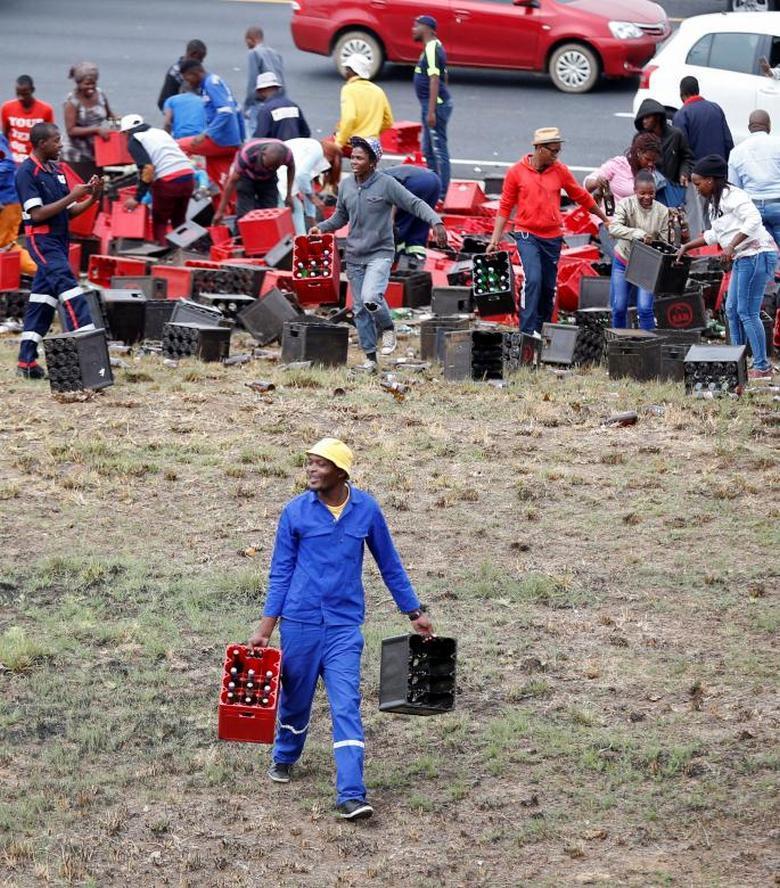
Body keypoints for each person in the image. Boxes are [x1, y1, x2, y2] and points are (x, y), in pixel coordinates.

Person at [248, 437, 434, 821]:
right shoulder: (295, 513)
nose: (311, 470)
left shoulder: (366, 510)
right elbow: (280, 572)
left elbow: (390, 564)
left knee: (346, 705)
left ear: (340, 471)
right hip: (299, 625)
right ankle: (284, 755)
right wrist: (267, 628)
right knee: (296, 701)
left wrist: (413, 611)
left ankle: (351, 793)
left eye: (319, 464)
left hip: (344, 628)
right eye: (309, 463)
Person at [312, 137, 447, 370]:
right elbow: (340, 217)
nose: (353, 162)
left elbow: (414, 204)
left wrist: (436, 222)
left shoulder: (387, 184)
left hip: (380, 254)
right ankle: (370, 358)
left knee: (371, 298)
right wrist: (322, 227)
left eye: (359, 158)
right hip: (354, 256)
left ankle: (387, 327)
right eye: (352, 157)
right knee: (360, 310)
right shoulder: (346, 185)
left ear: (373, 162)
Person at [487, 127, 609, 335]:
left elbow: (580, 195)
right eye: (553, 151)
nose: (556, 155)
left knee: (547, 287)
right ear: (539, 149)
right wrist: (494, 240)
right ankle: (526, 332)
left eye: (558, 151)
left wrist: (605, 219)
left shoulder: (560, 170)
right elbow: (505, 206)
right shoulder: (516, 172)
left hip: (552, 237)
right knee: (532, 279)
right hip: (526, 234)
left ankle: (541, 330)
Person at [677, 154, 777, 380]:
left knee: (747, 312)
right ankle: (737, 361)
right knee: (731, 309)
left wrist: (731, 246)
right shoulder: (715, 202)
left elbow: (754, 220)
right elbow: (714, 235)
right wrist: (687, 246)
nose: (696, 189)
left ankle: (762, 366)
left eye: (698, 183)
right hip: (744, 257)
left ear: (711, 180)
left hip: (757, 254)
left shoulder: (734, 196)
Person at [15, 123, 102, 379]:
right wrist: (72, 196)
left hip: (60, 242)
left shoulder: (57, 170)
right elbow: (37, 214)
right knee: (70, 289)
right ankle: (88, 356)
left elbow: (68, 212)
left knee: (42, 302)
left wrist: (93, 197)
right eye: (56, 141)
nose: (60, 145)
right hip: (43, 243)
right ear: (42, 144)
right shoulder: (26, 173)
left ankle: (26, 363)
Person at [608, 170, 674, 331]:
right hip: (624, 261)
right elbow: (613, 228)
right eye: (642, 193)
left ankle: (649, 347)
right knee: (619, 307)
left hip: (647, 265)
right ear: (635, 191)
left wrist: (663, 241)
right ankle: (618, 344)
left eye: (651, 193)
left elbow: (665, 243)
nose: (647, 197)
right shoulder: (625, 204)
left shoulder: (662, 211)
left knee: (645, 308)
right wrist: (636, 234)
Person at [119, 114, 195, 246]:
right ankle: (187, 250)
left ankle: (162, 254)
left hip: (168, 181)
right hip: (188, 176)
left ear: (126, 131)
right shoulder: (159, 132)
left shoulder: (134, 140)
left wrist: (137, 198)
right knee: (179, 219)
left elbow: (148, 168)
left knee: (160, 221)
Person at [584, 132, 662, 259]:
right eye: (647, 159)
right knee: (622, 259)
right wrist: (597, 182)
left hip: (637, 228)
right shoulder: (617, 165)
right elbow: (587, 184)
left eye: (654, 161)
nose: (650, 164)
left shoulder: (650, 173)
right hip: (611, 224)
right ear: (638, 153)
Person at [177, 60, 244, 197]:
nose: (188, 83)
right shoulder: (216, 82)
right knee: (221, 179)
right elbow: (237, 109)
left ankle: (191, 186)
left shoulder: (210, 84)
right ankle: (226, 210)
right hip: (231, 141)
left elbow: (226, 112)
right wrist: (241, 139)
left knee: (176, 146)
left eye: (187, 78)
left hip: (221, 140)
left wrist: (206, 134)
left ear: (195, 73)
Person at [412, 15, 453, 202]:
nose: (413, 29)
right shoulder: (434, 47)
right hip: (431, 105)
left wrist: (431, 111)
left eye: (416, 25)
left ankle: (442, 193)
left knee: (438, 150)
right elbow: (444, 75)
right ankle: (433, 187)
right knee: (428, 149)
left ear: (426, 28)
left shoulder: (432, 49)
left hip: (434, 107)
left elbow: (435, 79)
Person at [727, 110, 780, 248]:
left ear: (749, 127)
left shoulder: (736, 152)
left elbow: (735, 188)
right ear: (769, 126)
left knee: (765, 252)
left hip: (753, 209)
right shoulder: (778, 144)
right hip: (778, 204)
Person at [213, 138, 294, 224]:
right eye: (268, 166)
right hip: (246, 177)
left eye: (275, 167)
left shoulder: (287, 154)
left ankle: (266, 235)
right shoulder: (247, 154)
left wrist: (289, 195)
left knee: (270, 212)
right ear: (263, 154)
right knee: (245, 216)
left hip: (269, 179)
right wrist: (220, 211)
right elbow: (232, 182)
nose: (270, 169)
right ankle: (240, 236)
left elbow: (291, 168)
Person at [633, 97, 693, 207]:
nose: (644, 121)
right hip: (648, 193)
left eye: (647, 117)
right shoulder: (640, 139)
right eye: (642, 118)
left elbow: (687, 157)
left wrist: (684, 173)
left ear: (657, 117)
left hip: (671, 190)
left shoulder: (676, 135)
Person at [62, 62, 114, 182]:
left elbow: (109, 114)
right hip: (76, 155)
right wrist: (96, 130)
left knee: (97, 189)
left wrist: (125, 123)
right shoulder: (72, 101)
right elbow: (71, 130)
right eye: (87, 84)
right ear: (78, 83)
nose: (91, 87)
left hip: (97, 152)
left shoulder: (100, 94)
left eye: (93, 83)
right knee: (82, 191)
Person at [384, 164, 442, 268]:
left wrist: (391, 219)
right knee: (418, 228)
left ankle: (395, 262)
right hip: (434, 180)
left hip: (415, 184)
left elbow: (390, 195)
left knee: (398, 228)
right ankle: (416, 262)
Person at [333, 55, 393, 150]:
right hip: (374, 144)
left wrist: (338, 144)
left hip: (354, 143)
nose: (345, 72)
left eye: (347, 69)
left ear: (353, 71)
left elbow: (349, 118)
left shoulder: (349, 89)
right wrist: (373, 132)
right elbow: (388, 121)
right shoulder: (378, 90)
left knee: (326, 149)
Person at [673, 77, 734, 162]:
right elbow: (728, 143)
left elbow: (681, 151)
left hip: (696, 172)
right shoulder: (716, 108)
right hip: (719, 169)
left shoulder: (681, 115)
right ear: (698, 91)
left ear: (681, 94)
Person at [277, 137, 330, 234]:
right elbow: (302, 176)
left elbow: (307, 192)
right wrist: (313, 198)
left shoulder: (308, 155)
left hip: (278, 176)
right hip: (277, 179)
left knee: (292, 210)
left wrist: (313, 223)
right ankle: (300, 241)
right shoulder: (317, 152)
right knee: (293, 210)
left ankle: (298, 239)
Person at [0, 132, 36, 276]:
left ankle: (46, 273)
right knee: (6, 247)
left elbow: (7, 164)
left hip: (7, 200)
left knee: (5, 246)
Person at [1, 75, 55, 164]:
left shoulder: (46, 110)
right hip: (14, 159)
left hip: (35, 160)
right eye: (18, 93)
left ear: (32, 90)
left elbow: (49, 137)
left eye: (25, 94)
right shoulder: (7, 108)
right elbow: (5, 136)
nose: (21, 97)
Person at [244, 26, 286, 132]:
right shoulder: (275, 53)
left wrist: (247, 105)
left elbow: (253, 81)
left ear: (250, 39)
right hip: (279, 97)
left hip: (262, 100)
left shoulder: (254, 53)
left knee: (253, 129)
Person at [253, 73, 310, 141]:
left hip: (277, 149)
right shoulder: (293, 106)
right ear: (277, 88)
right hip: (295, 148)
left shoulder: (266, 110)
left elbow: (260, 137)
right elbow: (306, 133)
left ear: (262, 90)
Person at [157, 39, 207, 112]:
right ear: (193, 54)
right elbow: (163, 101)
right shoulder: (176, 72)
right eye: (200, 58)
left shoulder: (196, 71)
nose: (202, 61)